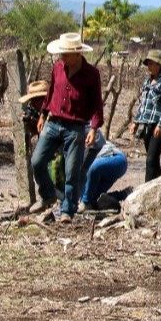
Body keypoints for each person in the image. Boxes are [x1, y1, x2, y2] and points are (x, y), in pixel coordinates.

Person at [29, 33, 104, 222]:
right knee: (37, 161)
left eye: (65, 54)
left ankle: (67, 211)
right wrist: (43, 114)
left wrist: (94, 128)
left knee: (72, 171)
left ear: (77, 54)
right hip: (54, 122)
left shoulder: (91, 74)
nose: (61, 57)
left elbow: (96, 104)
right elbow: (51, 92)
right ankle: (48, 194)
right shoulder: (57, 68)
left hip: (75, 126)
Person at [131, 49, 161, 180]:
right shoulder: (148, 81)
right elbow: (143, 104)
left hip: (160, 125)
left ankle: (146, 189)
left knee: (150, 159)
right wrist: (136, 121)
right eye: (148, 63)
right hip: (148, 125)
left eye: (152, 63)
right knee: (153, 161)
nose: (149, 67)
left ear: (160, 64)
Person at [81, 132, 128, 210]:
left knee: (93, 167)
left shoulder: (87, 129)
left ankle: (85, 203)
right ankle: (124, 194)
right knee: (92, 199)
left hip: (115, 158)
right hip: (99, 171)